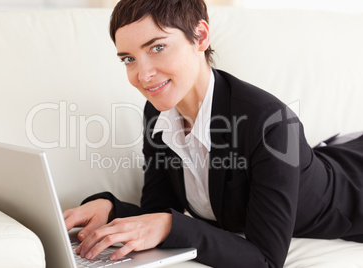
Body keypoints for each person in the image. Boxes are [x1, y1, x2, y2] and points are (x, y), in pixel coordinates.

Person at [63, 0, 363, 267]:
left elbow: (266, 260)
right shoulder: (157, 112)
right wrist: (110, 207)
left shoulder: (271, 122)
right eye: (128, 58)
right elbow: (157, 211)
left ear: (201, 36)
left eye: (157, 47)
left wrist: (171, 226)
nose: (142, 75)